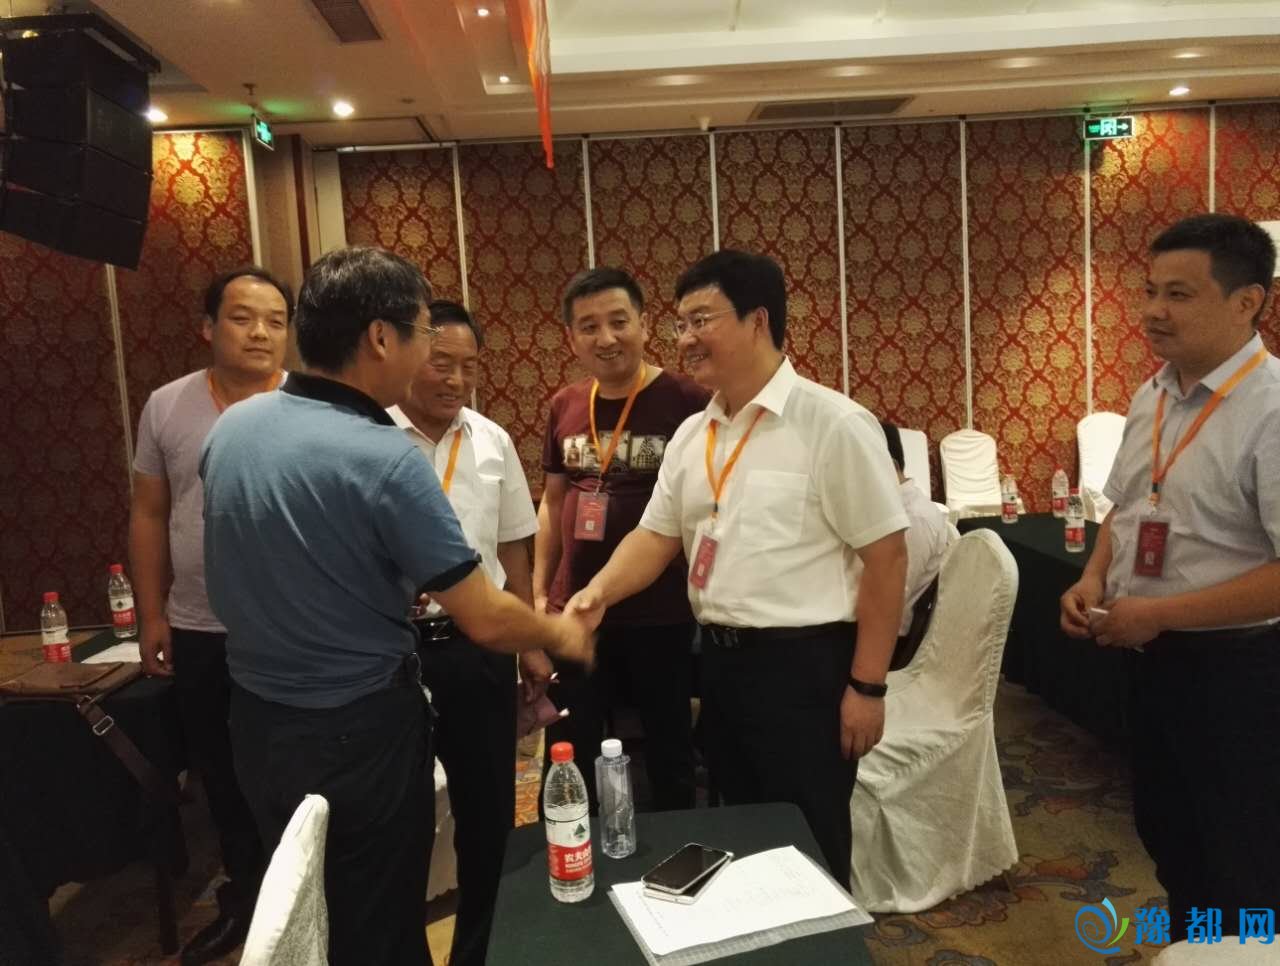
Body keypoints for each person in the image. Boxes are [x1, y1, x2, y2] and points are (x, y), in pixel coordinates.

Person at [199, 247, 595, 966]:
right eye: (421, 333)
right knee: (378, 921)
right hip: (357, 729)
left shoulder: (235, 426)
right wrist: (557, 631)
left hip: (257, 720)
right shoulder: (382, 458)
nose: (429, 356)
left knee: (308, 909)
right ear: (381, 338)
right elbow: (484, 615)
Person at [568, 250, 909, 886]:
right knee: (742, 842)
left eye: (701, 319)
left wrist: (868, 687)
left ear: (758, 320)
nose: (685, 339)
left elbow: (886, 560)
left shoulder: (833, 424)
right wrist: (596, 594)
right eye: (680, 323)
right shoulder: (695, 434)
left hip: (806, 672)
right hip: (721, 669)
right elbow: (654, 537)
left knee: (811, 848)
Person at [1060, 213, 1280, 942]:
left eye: (1179, 295)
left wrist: (1160, 614)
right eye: (1150, 290)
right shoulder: (1151, 395)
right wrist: (1094, 579)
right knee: (1170, 833)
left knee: (1242, 851)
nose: (1153, 310)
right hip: (1151, 664)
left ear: (1248, 302)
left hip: (1240, 673)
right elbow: (1126, 511)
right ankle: (1198, 948)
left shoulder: (1272, 409)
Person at [129, 266, 291, 965]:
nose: (260, 333)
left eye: (276, 321)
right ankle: (247, 904)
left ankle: (307, 905)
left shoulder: (308, 404)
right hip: (199, 626)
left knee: (293, 773)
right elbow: (149, 512)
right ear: (207, 327)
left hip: (291, 629)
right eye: (242, 317)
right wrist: (151, 614)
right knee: (222, 777)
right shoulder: (167, 406)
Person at [387, 299, 546, 966]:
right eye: (440, 363)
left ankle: (477, 953)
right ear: (405, 356)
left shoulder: (491, 441)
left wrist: (529, 641)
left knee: (487, 816)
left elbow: (513, 551)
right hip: (394, 654)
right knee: (397, 817)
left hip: (477, 649)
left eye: (469, 366)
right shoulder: (372, 437)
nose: (455, 380)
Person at [533, 267, 710, 812]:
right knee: (571, 745)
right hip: (576, 611)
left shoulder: (688, 400)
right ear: (571, 338)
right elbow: (553, 503)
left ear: (645, 324)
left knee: (668, 747)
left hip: (661, 611)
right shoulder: (565, 405)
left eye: (618, 322)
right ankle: (574, 847)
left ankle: (679, 843)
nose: (606, 338)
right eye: (589, 327)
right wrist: (540, 594)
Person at [879, 420, 955, 669]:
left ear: (890, 466)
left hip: (888, 645)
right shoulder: (891, 509)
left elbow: (893, 606)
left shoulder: (913, 520)